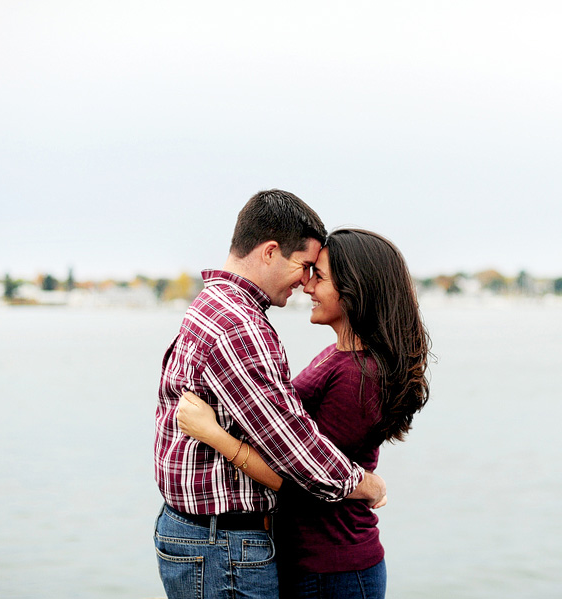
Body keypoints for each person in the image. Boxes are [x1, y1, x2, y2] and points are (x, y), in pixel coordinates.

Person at [154, 191, 387, 599]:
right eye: (304, 265)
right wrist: (365, 485)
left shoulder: (214, 304)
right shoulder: (239, 326)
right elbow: (294, 449)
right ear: (270, 252)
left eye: (317, 272)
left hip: (207, 539)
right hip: (222, 544)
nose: (305, 281)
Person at [177, 228, 431, 599]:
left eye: (320, 276)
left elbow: (303, 481)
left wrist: (213, 434)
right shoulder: (339, 355)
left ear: (354, 289)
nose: (307, 285)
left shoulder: (359, 375)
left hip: (334, 569)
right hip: (312, 563)